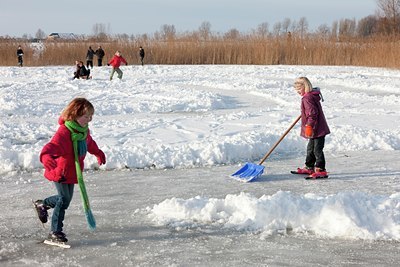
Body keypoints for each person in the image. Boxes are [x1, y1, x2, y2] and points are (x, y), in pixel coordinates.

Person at [33, 98, 106, 243]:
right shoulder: (65, 132)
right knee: (62, 200)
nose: (89, 120)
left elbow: (89, 143)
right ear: (75, 115)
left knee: (65, 201)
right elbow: (52, 145)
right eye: (86, 116)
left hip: (72, 172)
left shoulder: (83, 131)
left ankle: (43, 204)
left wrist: (98, 152)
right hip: (59, 171)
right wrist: (46, 156)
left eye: (91, 116)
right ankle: (55, 231)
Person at [293, 77, 330, 178]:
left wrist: (309, 126)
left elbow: (313, 114)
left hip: (317, 129)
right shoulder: (310, 96)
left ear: (305, 87)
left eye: (299, 89)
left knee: (317, 150)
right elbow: (311, 111)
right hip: (315, 129)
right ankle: (309, 167)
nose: (298, 92)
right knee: (310, 149)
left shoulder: (307, 98)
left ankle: (321, 169)